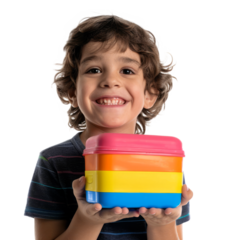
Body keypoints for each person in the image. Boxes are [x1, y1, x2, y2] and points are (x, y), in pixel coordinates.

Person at [23, 9, 193, 240]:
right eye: (94, 70)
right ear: (73, 91)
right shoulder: (53, 162)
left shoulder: (163, 161)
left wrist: (162, 224)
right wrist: (88, 220)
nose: (110, 81)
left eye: (127, 70)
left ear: (150, 92)